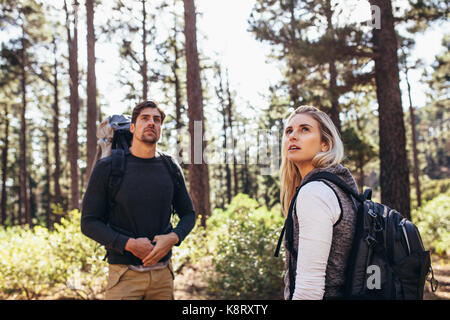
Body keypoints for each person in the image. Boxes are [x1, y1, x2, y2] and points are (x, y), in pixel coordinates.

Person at [81, 100, 196, 300]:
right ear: (133, 127)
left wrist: (173, 237)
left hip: (163, 277)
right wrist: (129, 244)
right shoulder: (108, 168)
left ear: (160, 129)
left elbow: (189, 215)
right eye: (145, 118)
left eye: (157, 120)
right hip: (124, 276)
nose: (151, 123)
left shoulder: (170, 167)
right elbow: (89, 223)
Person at [279, 105, 359, 300]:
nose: (293, 136)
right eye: (289, 131)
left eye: (304, 129)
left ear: (325, 144)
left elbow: (309, 290)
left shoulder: (315, 193)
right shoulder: (340, 187)